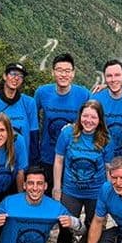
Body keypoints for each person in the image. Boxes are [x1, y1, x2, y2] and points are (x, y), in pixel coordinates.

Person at [53, 100, 114, 243]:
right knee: (65, 223)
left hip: (96, 192)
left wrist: (109, 194)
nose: (88, 120)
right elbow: (59, 160)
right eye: (85, 116)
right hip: (70, 190)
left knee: (93, 223)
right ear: (79, 116)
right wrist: (57, 188)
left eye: (93, 117)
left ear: (100, 119)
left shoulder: (106, 139)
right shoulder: (67, 133)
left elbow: (108, 168)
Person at [34, 53, 90, 191]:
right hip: (48, 156)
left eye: (67, 71)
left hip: (73, 156)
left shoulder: (83, 94)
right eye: (59, 70)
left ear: (73, 73)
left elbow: (92, 121)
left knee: (68, 201)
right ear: (53, 72)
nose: (63, 74)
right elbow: (32, 120)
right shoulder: (42, 93)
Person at [0, 62, 39, 164]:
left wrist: (33, 165)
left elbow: (34, 135)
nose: (16, 78)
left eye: (20, 76)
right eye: (13, 74)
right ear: (5, 76)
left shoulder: (29, 103)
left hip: (21, 161)